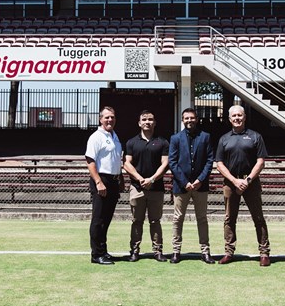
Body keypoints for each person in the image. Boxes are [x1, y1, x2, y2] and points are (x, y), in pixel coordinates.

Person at [214, 105, 271, 267]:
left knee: (258, 218)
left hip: (250, 183)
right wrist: (234, 181)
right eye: (234, 116)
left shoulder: (255, 137)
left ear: (245, 117)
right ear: (229, 119)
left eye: (240, 115)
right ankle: (229, 252)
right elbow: (219, 164)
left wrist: (248, 180)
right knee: (229, 219)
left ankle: (264, 253)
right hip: (230, 184)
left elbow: (261, 162)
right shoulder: (224, 139)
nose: (237, 118)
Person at [168, 107, 215, 264]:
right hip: (181, 186)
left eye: (192, 118)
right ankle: (176, 251)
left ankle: (205, 251)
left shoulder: (206, 137)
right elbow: (172, 162)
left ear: (197, 119)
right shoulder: (175, 138)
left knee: (202, 218)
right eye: (186, 118)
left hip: (200, 186)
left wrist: (200, 180)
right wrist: (185, 182)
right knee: (178, 218)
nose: (189, 120)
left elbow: (210, 161)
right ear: (182, 120)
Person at [123, 110, 170, 262]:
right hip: (137, 188)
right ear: (139, 123)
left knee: (155, 221)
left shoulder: (162, 142)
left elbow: (165, 163)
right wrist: (141, 179)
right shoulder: (131, 142)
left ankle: (157, 251)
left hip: (156, 189)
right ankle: (134, 251)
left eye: (150, 119)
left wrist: (152, 179)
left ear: (155, 122)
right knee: (137, 221)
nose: (147, 122)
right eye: (144, 119)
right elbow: (127, 163)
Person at [85, 106, 122, 265]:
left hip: (113, 180)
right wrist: (98, 182)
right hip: (102, 180)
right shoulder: (96, 137)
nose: (110, 120)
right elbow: (90, 161)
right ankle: (96, 255)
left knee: (106, 219)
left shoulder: (114, 136)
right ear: (100, 119)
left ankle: (103, 251)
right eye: (106, 117)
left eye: (112, 117)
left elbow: (115, 160)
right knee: (98, 219)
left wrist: (121, 179)